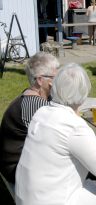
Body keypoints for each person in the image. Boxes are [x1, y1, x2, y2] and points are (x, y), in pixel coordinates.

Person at [15, 63, 96, 205]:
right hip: (53, 199)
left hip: (27, 197)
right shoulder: (73, 125)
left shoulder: (42, 112)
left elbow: (76, 143)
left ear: (55, 87)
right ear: (84, 95)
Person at [0, 52, 59, 184]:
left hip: (18, 162)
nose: (59, 81)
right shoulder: (36, 105)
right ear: (40, 80)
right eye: (55, 77)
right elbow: (61, 136)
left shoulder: (31, 95)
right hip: (16, 169)